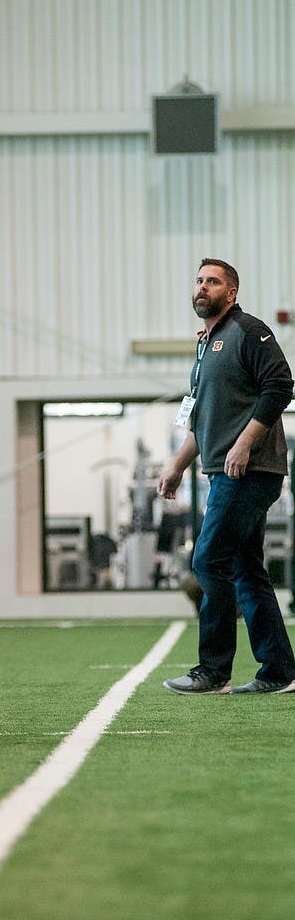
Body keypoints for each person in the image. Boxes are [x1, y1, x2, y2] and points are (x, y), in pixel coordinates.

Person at [158, 258, 295, 695]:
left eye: (212, 281)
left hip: (250, 470)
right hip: (223, 472)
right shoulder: (205, 344)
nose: (202, 287)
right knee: (246, 570)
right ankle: (278, 670)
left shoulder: (249, 331)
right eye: (198, 280)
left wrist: (245, 441)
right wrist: (177, 464)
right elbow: (200, 415)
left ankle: (213, 670)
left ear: (231, 292)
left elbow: (281, 385)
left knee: (207, 560)